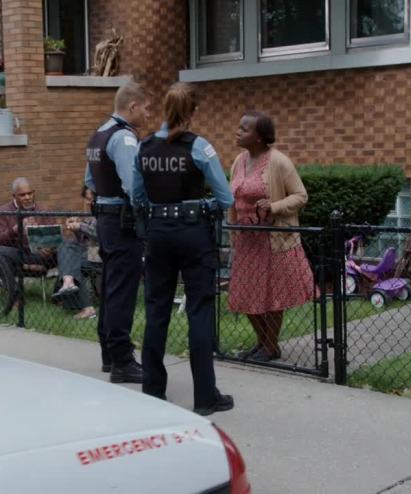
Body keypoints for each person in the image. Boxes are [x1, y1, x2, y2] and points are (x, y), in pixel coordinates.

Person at [132, 82, 235, 417]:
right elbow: (226, 198)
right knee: (199, 311)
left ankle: (152, 391)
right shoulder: (199, 147)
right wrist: (201, 205)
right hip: (193, 234)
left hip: (158, 234)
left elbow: (136, 196)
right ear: (193, 111)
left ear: (165, 109)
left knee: (156, 310)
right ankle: (205, 397)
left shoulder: (145, 147)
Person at [228, 110, 314, 362]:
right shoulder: (239, 161)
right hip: (247, 240)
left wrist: (274, 207)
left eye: (244, 129)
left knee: (273, 295)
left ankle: (270, 346)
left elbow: (301, 195)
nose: (238, 132)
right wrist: (232, 229)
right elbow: (233, 199)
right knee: (245, 293)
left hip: (273, 240)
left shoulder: (279, 162)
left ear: (259, 136)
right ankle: (263, 342)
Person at [84, 80, 150, 383]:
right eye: (146, 108)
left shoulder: (98, 134)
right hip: (123, 222)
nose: (148, 114)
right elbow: (133, 186)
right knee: (122, 292)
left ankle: (109, 356)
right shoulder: (124, 138)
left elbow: (90, 182)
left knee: (111, 288)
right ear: (132, 106)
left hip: (105, 219)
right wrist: (148, 212)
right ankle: (123, 361)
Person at [0, 177, 58, 278]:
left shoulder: (44, 209)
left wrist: (50, 247)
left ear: (34, 193)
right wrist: (15, 230)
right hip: (19, 255)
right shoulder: (4, 211)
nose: (27, 197)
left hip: (42, 256)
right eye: (22, 195)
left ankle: (64, 285)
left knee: (66, 246)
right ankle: (13, 286)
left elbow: (54, 236)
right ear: (14, 196)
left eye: (30, 193)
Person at [51, 186, 99, 320]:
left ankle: (68, 284)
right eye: (87, 199)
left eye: (92, 199)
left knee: (72, 262)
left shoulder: (105, 212)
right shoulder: (88, 215)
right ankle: (69, 282)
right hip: (87, 253)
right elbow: (83, 241)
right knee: (66, 244)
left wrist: (80, 226)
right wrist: (76, 229)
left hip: (101, 253)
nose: (89, 202)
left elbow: (100, 234)